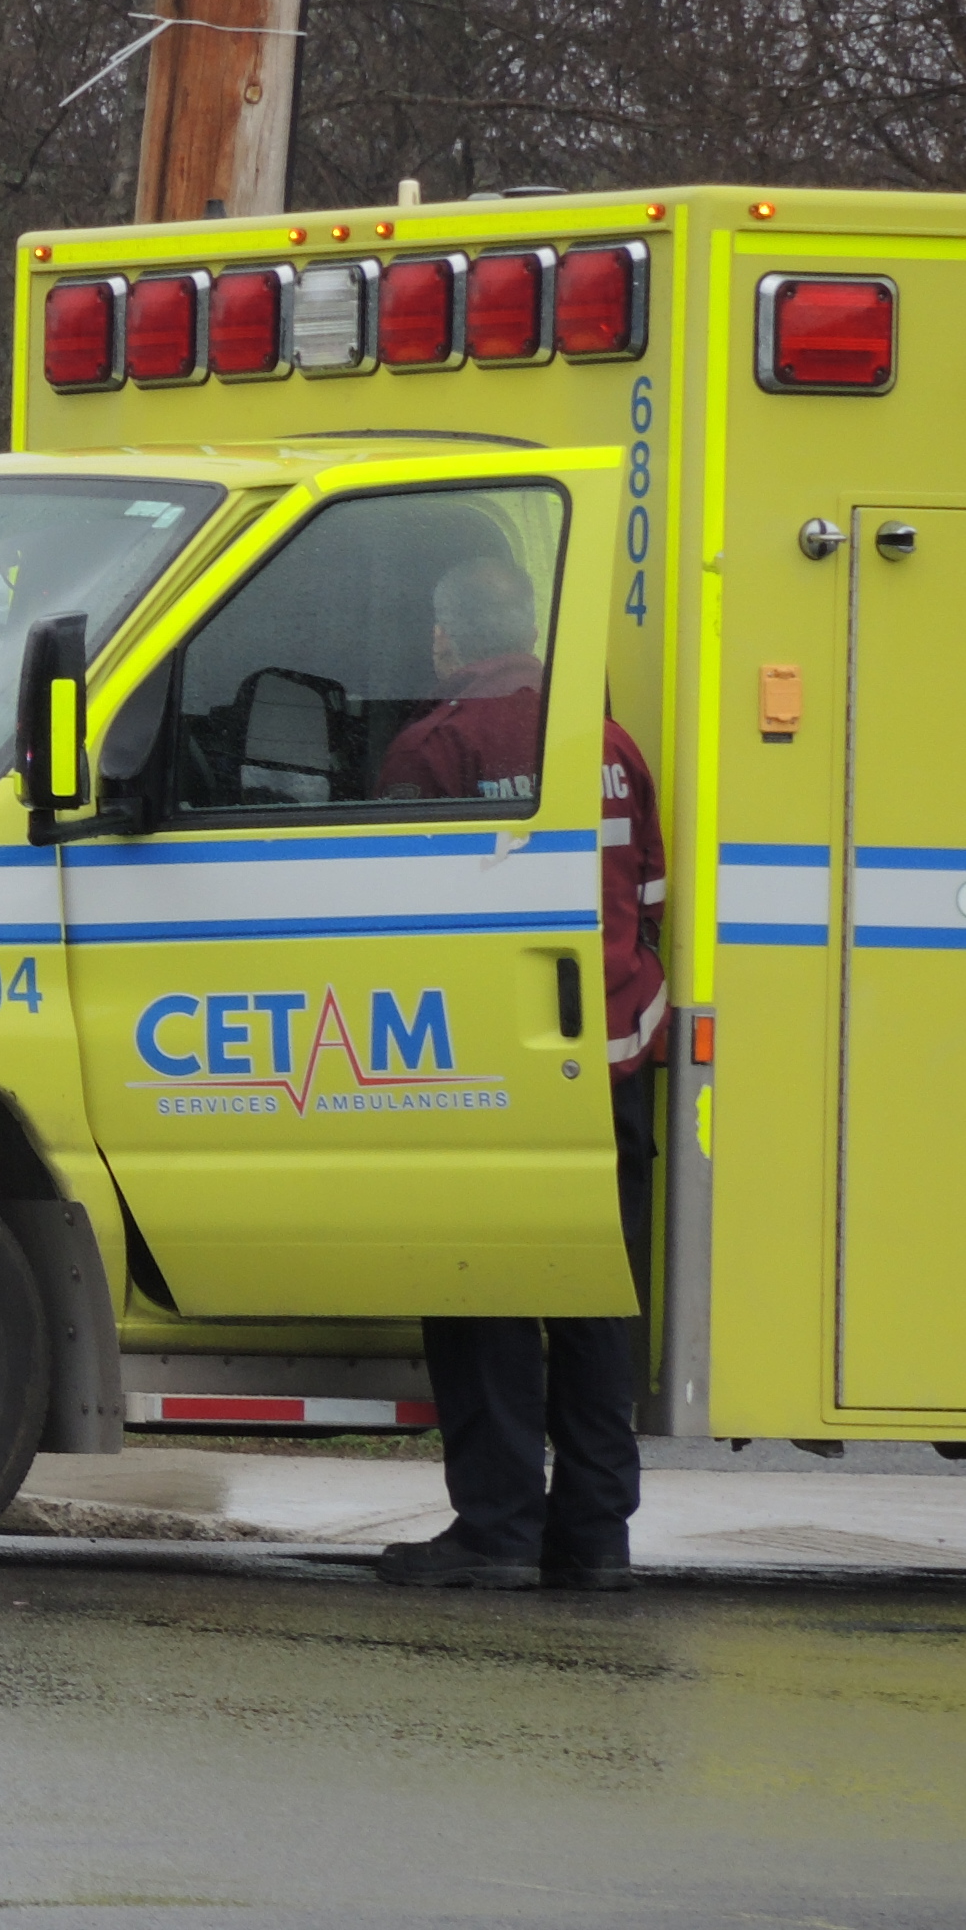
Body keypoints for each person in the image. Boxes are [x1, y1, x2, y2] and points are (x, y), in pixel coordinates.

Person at [375, 552, 667, 1592]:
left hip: (489, 1068)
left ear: (447, 640)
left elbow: (394, 933)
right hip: (612, 1060)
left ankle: (497, 1524)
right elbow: (654, 892)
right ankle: (594, 1536)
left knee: (481, 1291)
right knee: (596, 1301)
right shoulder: (611, 744)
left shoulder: (434, 748)